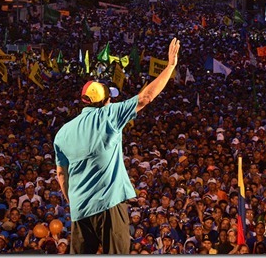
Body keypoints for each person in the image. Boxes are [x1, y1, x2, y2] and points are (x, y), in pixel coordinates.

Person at [53, 38, 181, 254]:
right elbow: (146, 97)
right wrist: (170, 66)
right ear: (104, 101)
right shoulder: (109, 116)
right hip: (109, 205)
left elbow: (61, 175)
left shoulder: (62, 133)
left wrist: (72, 201)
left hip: (80, 210)